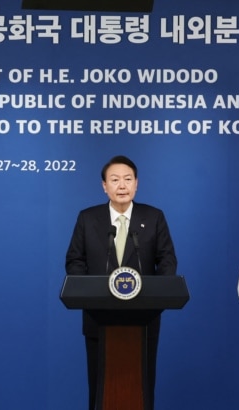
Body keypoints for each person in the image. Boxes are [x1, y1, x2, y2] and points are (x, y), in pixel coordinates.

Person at [65, 155, 177, 410]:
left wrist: (157, 295)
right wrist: (88, 293)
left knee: (143, 386)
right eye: (115, 180)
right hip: (98, 317)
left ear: (137, 184)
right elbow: (74, 261)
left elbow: (167, 261)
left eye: (127, 179)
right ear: (104, 186)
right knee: (99, 385)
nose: (122, 185)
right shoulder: (87, 218)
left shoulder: (154, 217)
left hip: (144, 319)